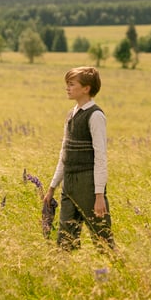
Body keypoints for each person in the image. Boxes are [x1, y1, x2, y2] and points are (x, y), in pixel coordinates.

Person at [44, 66, 114, 251]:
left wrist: (99, 196)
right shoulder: (71, 114)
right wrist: (52, 187)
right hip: (68, 183)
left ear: (86, 88)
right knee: (65, 240)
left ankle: (120, 274)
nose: (67, 88)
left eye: (71, 84)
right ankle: (64, 276)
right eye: (67, 84)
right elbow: (64, 154)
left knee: (103, 238)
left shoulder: (95, 115)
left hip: (88, 184)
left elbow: (100, 157)